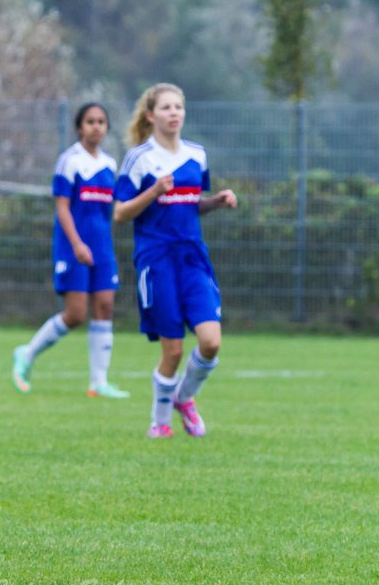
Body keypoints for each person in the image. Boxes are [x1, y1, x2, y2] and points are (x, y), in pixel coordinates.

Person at [113, 83, 237, 438]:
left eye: (178, 107)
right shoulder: (140, 158)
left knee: (211, 342)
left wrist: (217, 201)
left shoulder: (196, 155)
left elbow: (191, 204)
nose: (174, 113)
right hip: (157, 260)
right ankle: (160, 422)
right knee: (173, 350)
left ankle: (185, 398)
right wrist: (153, 191)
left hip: (193, 257)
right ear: (151, 116)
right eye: (166, 108)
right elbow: (120, 213)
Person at [13, 103, 129, 399]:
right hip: (72, 247)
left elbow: (107, 212)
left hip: (102, 248)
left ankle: (99, 382)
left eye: (102, 122)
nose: (96, 127)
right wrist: (77, 244)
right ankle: (27, 352)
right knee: (76, 314)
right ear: (80, 127)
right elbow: (62, 207)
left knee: (105, 306)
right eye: (90, 121)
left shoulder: (109, 164)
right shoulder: (69, 161)